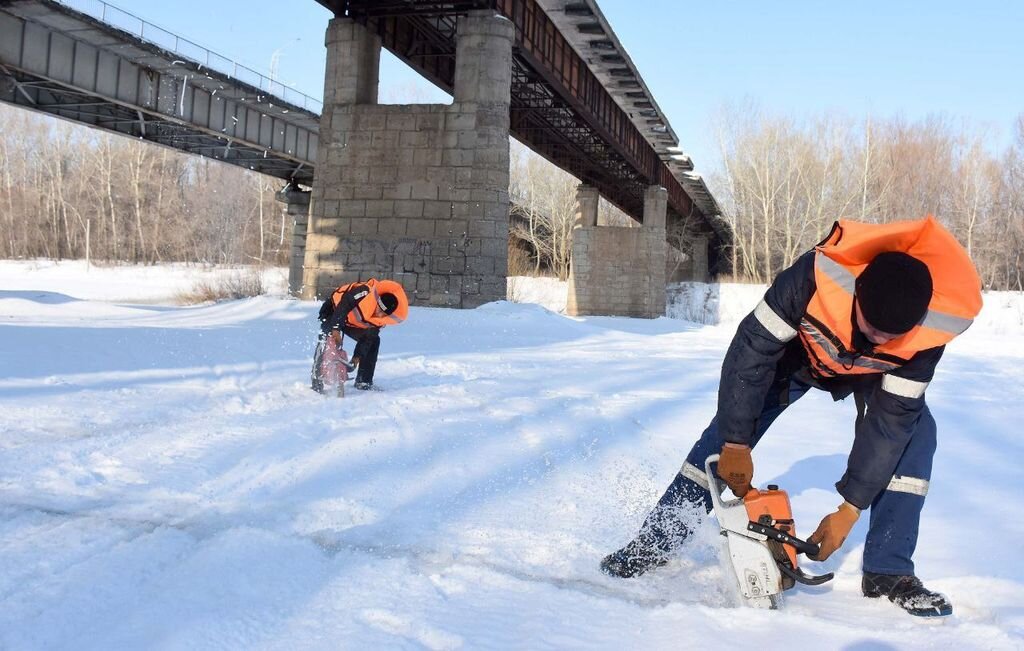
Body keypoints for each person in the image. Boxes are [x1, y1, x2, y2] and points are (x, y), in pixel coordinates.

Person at [600, 216, 982, 618]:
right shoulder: (812, 278)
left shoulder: (928, 332)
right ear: (858, 296)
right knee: (726, 434)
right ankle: (654, 542)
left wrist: (850, 508)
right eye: (873, 328)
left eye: (892, 336)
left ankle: (888, 571)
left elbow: (893, 422)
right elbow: (752, 351)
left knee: (918, 433)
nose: (880, 340)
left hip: (873, 374)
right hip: (796, 359)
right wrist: (735, 442)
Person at [311, 278, 409, 392]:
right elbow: (345, 303)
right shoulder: (365, 291)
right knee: (325, 338)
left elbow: (369, 337)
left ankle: (364, 381)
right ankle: (316, 380)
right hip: (334, 312)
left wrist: (357, 357)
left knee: (374, 341)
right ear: (377, 301)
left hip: (352, 323)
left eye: (383, 313)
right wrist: (336, 328)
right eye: (379, 309)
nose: (379, 314)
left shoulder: (382, 319)